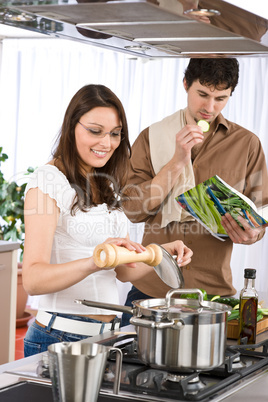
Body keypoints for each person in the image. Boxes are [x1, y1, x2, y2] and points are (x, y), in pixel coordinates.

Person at [22, 84, 193, 356]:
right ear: (71, 127)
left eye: (115, 134)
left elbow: (123, 271)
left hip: (106, 339)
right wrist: (95, 260)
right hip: (58, 338)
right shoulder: (47, 181)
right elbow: (32, 278)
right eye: (95, 131)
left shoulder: (106, 185)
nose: (106, 143)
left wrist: (158, 253)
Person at [122, 58, 268, 325]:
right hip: (150, 289)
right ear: (186, 84)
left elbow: (261, 212)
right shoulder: (151, 137)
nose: (209, 107)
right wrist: (177, 161)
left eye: (221, 98)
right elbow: (132, 210)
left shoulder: (247, 144)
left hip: (213, 294)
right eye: (202, 94)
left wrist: (252, 233)